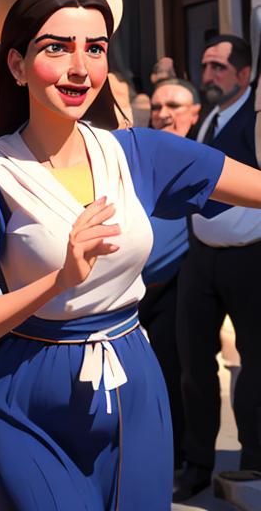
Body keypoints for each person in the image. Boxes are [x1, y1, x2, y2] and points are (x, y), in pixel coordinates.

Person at [0, 0, 261, 509]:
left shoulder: (141, 152)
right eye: (56, 47)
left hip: (134, 380)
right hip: (26, 394)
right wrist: (59, 279)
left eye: (95, 49)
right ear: (16, 65)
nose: (79, 68)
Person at [174, 34, 261, 500]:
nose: (207, 77)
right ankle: (197, 463)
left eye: (219, 69)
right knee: (194, 366)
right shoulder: (207, 116)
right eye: (205, 66)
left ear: (244, 75)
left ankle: (254, 463)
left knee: (255, 366)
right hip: (202, 257)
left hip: (250, 258)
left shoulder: (255, 118)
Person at [139, 78, 203, 472]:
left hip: (177, 286)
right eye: (158, 106)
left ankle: (180, 456)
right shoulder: (141, 155)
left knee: (174, 375)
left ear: (194, 114)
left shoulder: (207, 159)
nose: (164, 114)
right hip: (130, 290)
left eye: (174, 106)